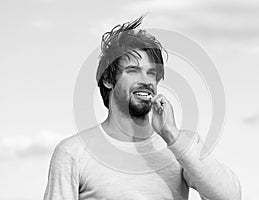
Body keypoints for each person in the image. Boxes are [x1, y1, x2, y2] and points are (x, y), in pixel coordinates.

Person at [43, 16, 241, 200]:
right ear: (108, 80)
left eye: (151, 73)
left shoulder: (180, 145)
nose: (146, 81)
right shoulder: (73, 152)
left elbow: (230, 197)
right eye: (133, 71)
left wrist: (171, 135)